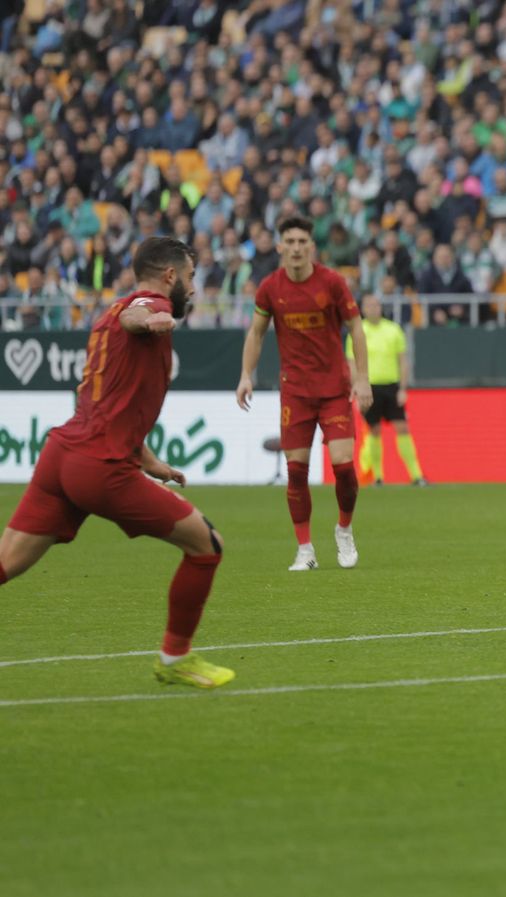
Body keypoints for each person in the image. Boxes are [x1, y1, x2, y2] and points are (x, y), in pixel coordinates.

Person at [0, 237, 234, 688]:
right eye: (190, 278)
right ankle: (174, 659)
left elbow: (109, 400)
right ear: (170, 277)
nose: (193, 288)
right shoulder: (142, 307)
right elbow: (138, 317)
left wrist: (151, 461)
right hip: (99, 467)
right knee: (208, 545)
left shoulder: (106, 314)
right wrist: (153, 318)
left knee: (6, 561)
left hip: (62, 456)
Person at [237, 216, 373, 571]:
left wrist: (362, 378)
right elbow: (256, 333)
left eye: (302, 242)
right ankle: (305, 549)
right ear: (280, 246)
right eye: (290, 241)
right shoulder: (270, 288)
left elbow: (357, 329)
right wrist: (245, 376)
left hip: (333, 389)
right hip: (295, 393)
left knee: (344, 465)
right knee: (296, 471)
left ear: (311, 246)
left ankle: (344, 529)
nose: (296, 248)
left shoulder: (332, 283)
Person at [348, 295, 426, 487]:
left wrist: (402, 388)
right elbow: (351, 364)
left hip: (391, 386)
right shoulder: (357, 332)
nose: (373, 308)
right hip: (369, 387)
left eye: (376, 305)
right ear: (363, 309)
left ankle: (416, 475)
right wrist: (357, 388)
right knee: (373, 431)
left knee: (402, 427)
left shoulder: (393, 330)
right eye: (369, 305)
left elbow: (403, 361)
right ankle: (378, 477)